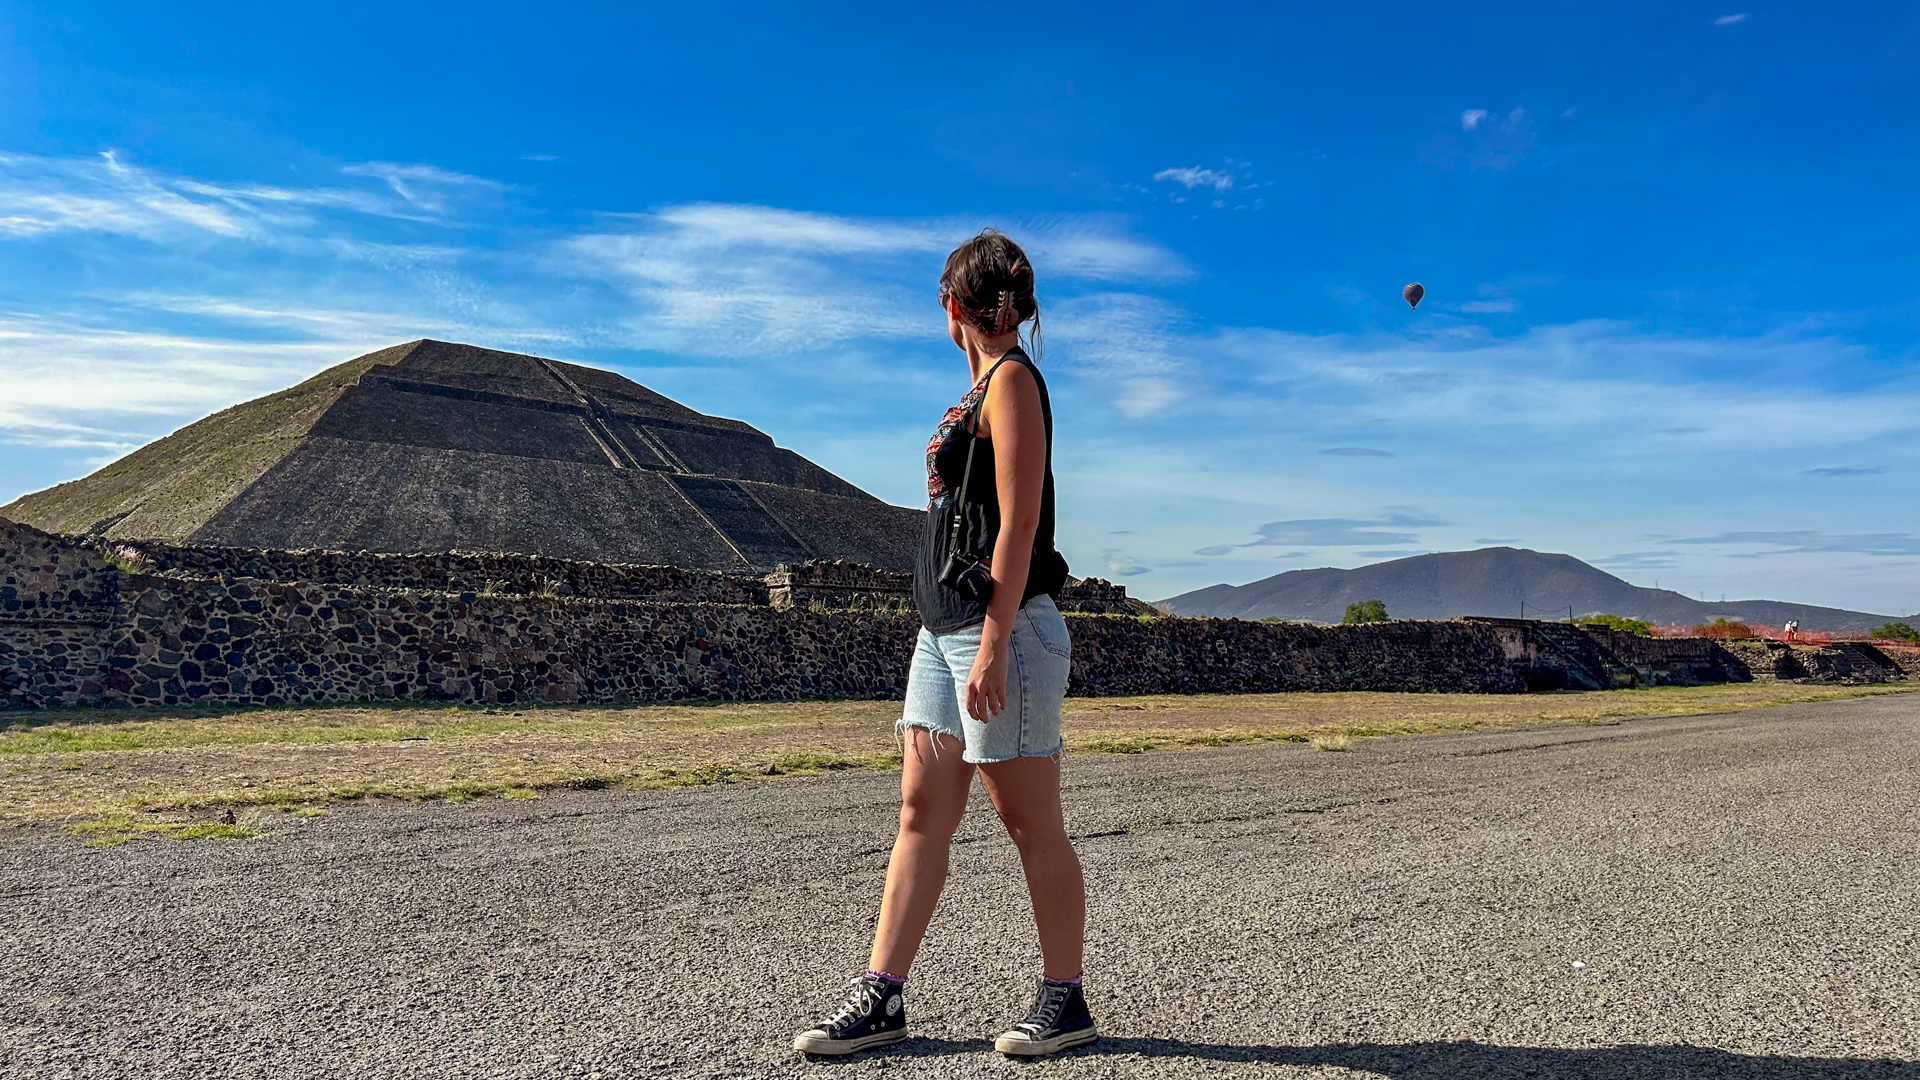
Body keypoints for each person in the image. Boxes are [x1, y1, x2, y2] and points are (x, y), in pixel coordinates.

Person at [792, 230, 1091, 1058]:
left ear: (951, 304)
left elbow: (1022, 521)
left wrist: (995, 640)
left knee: (1031, 823)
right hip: (945, 628)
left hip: (1005, 628)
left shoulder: (1014, 382)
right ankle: (882, 995)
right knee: (921, 814)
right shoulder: (983, 386)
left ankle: (1065, 1001)